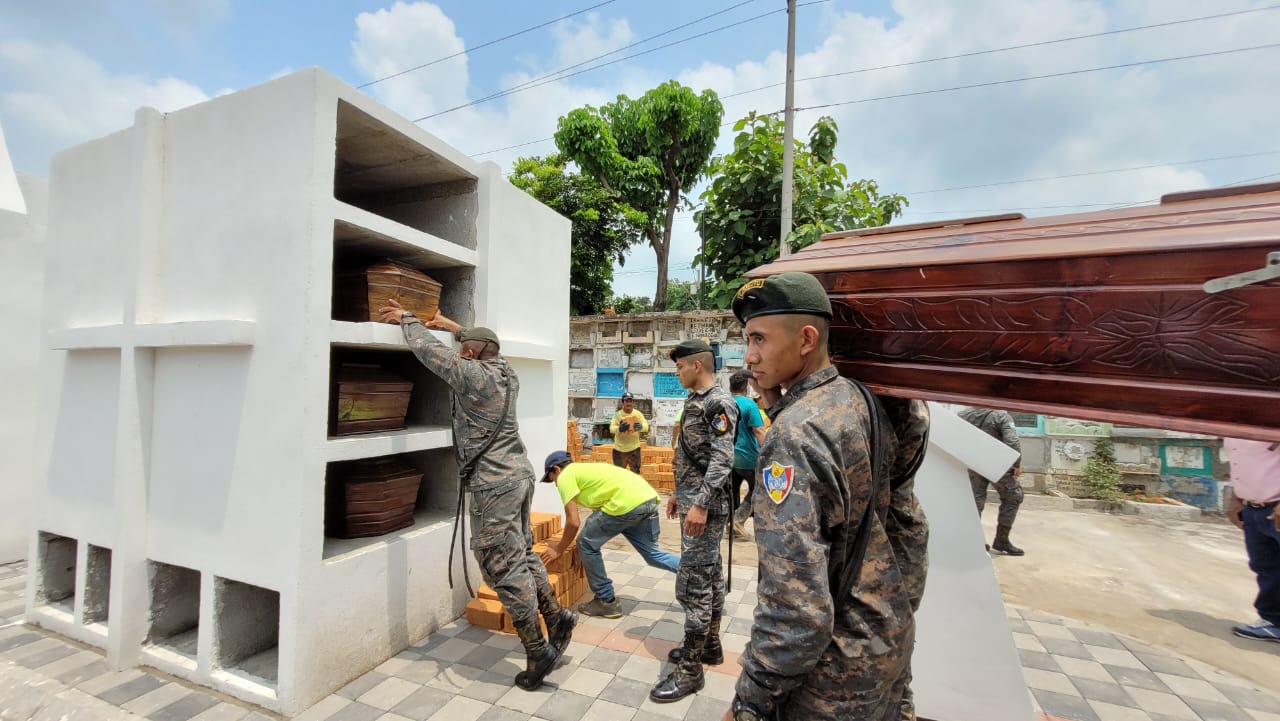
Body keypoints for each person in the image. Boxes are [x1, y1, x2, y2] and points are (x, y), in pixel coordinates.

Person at [725, 272, 915, 721]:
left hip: (832, 679)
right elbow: (909, 530)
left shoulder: (793, 436)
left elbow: (796, 610)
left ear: (806, 339)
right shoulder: (861, 400)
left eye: (759, 339)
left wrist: (750, 701)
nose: (749, 356)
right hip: (887, 640)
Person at [379, 299, 575, 690]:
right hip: (518, 475)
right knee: (519, 551)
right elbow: (480, 342)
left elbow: (429, 351)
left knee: (500, 565)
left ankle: (537, 650)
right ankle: (555, 616)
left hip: (493, 483)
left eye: (464, 349)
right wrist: (454, 325)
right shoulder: (506, 372)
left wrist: (407, 318)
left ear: (469, 354)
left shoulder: (470, 374)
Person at [650, 339, 737, 703]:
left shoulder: (719, 403)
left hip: (705, 507)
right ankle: (711, 645)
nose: (677, 372)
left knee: (693, 584)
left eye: (680, 366)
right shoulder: (696, 401)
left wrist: (699, 505)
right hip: (692, 500)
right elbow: (690, 454)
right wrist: (676, 493)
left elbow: (723, 458)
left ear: (696, 366)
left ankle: (690, 669)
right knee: (711, 574)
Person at [539, 451, 680, 619]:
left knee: (586, 542)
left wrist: (559, 549)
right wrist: (581, 546)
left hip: (625, 504)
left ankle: (606, 601)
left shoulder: (565, 476)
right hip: (647, 500)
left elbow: (573, 522)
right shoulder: (587, 471)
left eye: (551, 478)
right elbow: (597, 522)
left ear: (556, 469)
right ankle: (704, 574)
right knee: (653, 555)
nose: (555, 484)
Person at [1224, 438, 1280, 643]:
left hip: (1277, 508)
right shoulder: (1234, 431)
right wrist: (1235, 500)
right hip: (1253, 510)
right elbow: (1239, 465)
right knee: (1266, 568)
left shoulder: (1269, 420)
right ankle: (1274, 622)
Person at [958, 406, 1025, 555]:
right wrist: (1016, 464)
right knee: (1014, 496)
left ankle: (973, 541)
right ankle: (1002, 540)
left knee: (975, 502)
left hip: (973, 463)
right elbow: (1012, 441)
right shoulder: (1001, 415)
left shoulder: (963, 414)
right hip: (997, 465)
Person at [729, 370, 767, 538]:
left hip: (728, 455)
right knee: (758, 489)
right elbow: (759, 431)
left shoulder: (724, 402)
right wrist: (770, 453)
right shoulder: (750, 405)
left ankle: (731, 527)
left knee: (732, 490)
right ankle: (738, 520)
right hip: (747, 456)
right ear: (747, 386)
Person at [610, 392, 649, 473]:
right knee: (619, 475)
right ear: (622, 402)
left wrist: (641, 427)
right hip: (619, 450)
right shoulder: (618, 415)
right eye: (626, 401)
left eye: (630, 401)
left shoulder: (638, 414)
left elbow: (646, 426)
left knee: (635, 474)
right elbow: (611, 429)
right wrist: (619, 429)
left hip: (634, 450)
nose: (628, 403)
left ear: (633, 402)